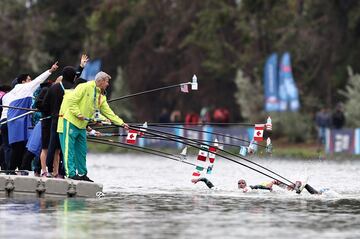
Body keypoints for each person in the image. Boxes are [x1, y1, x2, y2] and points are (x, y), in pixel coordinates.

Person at [61, 71, 129, 182]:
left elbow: (108, 112)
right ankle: (71, 174)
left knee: (82, 152)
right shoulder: (84, 86)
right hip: (71, 122)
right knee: (69, 150)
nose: (107, 84)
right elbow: (71, 102)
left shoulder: (100, 96)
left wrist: (121, 123)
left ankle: (82, 174)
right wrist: (78, 114)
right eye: (107, 82)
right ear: (101, 81)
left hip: (82, 126)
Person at [1, 62, 58, 172]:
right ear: (23, 82)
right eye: (29, 79)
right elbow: (38, 80)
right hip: (17, 122)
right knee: (17, 147)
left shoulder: (12, 92)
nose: (31, 82)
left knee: (20, 147)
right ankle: (11, 170)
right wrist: (50, 71)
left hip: (16, 122)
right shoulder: (25, 88)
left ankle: (22, 169)